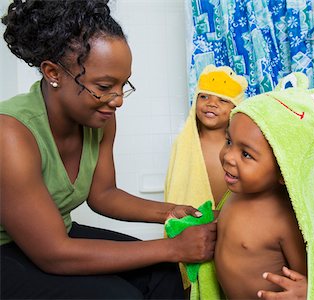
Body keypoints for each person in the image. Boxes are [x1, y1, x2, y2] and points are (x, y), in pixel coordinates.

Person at [0, 1, 216, 299]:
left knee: (162, 275)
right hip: (10, 251)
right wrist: (173, 247)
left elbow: (103, 195)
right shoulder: (10, 134)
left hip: (56, 237)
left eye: (122, 85)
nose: (117, 100)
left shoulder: (99, 119)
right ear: (53, 73)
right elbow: (54, 253)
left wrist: (172, 212)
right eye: (103, 87)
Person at [215, 72, 314, 299]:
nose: (228, 157)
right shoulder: (236, 194)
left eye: (246, 153)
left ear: (285, 169)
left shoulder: (284, 220)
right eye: (229, 141)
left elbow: (311, 275)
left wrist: (306, 293)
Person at [164, 64, 247, 292]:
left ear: (236, 108)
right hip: (196, 222)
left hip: (231, 223)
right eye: (204, 96)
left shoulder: (239, 147)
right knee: (194, 283)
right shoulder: (185, 143)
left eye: (222, 100)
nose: (211, 103)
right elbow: (176, 184)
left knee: (230, 279)